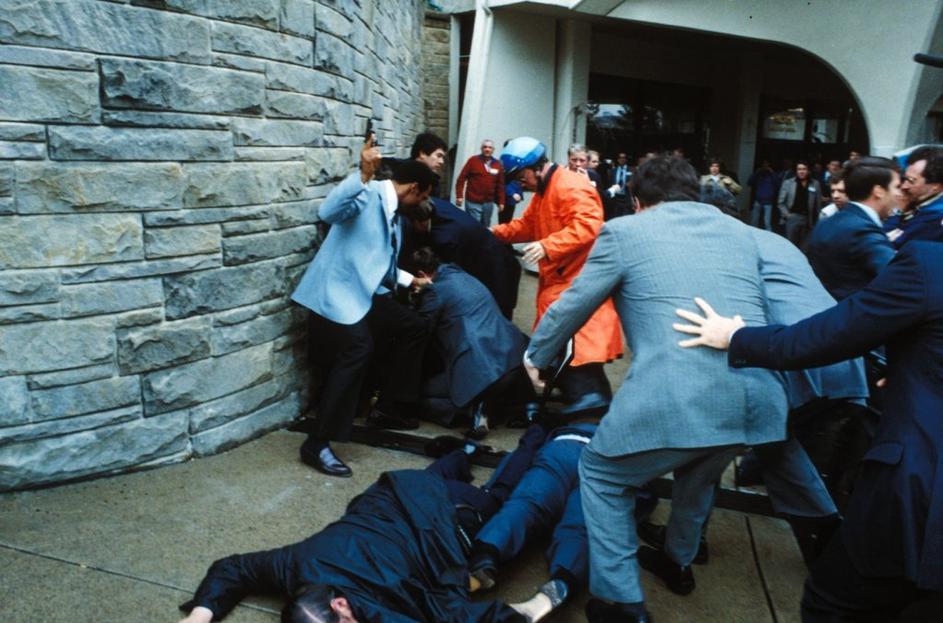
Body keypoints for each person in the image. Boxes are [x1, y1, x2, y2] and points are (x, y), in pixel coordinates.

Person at [524, 155, 787, 622]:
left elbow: (575, 302)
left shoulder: (625, 232)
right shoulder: (740, 232)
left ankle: (622, 602)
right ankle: (677, 561)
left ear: (638, 201)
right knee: (700, 472)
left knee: (602, 475)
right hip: (757, 398)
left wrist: (536, 356)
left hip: (680, 392)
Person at [672, 240, 943, 622]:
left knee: (831, 603)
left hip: (919, 494)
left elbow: (827, 336)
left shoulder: (930, 264)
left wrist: (736, 337)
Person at [177, 430, 554, 623]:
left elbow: (466, 617)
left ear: (340, 603)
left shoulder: (385, 603)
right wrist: (201, 614)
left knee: (501, 494)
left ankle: (538, 436)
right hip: (401, 490)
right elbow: (233, 568)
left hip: (451, 517)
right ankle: (463, 452)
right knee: (433, 476)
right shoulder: (295, 565)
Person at [290, 137, 435, 477]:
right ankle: (317, 442)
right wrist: (362, 175)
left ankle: (386, 407)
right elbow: (328, 212)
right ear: (413, 188)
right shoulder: (368, 193)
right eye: (423, 197)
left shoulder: (395, 214)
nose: (422, 204)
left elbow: (379, 262)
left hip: (361, 294)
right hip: (334, 293)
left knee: (409, 327)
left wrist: (409, 281)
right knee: (359, 348)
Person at [492, 136, 622, 409]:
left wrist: (547, 245)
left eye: (521, 177)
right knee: (567, 359)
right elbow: (527, 226)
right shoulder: (545, 191)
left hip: (577, 289)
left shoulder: (570, 186)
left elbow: (589, 225)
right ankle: (576, 406)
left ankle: (588, 416)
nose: (520, 184)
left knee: (582, 362)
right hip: (560, 288)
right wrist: (493, 233)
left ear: (536, 168)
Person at [469, 420, 599, 623]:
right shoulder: (634, 432)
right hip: (606, 460)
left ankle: (486, 553)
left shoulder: (573, 420)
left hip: (565, 445)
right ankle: (561, 582)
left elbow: (526, 452)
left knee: (526, 504)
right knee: (579, 528)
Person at [410, 248, 534, 439]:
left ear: (420, 274)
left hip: (483, 370)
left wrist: (415, 298)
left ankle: (471, 412)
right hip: (513, 357)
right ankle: (496, 404)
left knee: (419, 395)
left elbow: (421, 329)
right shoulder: (460, 274)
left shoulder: (434, 291)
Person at [405, 132, 522, 319]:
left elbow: (452, 272)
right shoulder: (437, 206)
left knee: (496, 317)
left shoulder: (444, 235)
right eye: (438, 156)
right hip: (489, 251)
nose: (442, 162)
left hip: (498, 270)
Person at [806, 157, 899, 301]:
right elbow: (898, 280)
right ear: (879, 191)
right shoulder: (862, 231)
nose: (899, 193)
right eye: (896, 187)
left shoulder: (828, 222)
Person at [884, 145, 943, 248]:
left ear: (936, 186)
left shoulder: (934, 219)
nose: (903, 186)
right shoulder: (916, 201)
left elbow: (887, 244)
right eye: (904, 178)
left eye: (911, 181)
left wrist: (896, 211)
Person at [455, 138, 505, 226]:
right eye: (485, 147)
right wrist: (459, 196)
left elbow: (500, 185)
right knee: (474, 225)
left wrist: (501, 202)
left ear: (493, 150)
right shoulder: (473, 160)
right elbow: (461, 179)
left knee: (485, 226)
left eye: (490, 147)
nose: (487, 149)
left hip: (488, 202)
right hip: (473, 201)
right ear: (481, 149)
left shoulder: (497, 164)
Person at [777, 161, 823, 248]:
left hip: (808, 220)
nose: (801, 171)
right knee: (791, 246)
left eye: (804, 169)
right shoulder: (788, 183)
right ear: (796, 171)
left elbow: (818, 205)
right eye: (799, 169)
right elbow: (780, 202)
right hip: (792, 217)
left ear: (808, 171)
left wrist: (816, 221)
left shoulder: (815, 184)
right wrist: (788, 215)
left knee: (805, 247)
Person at [747, 158, 779, 230]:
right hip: (758, 200)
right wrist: (757, 172)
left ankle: (769, 235)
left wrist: (772, 172)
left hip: (768, 202)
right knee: (754, 221)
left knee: (767, 222)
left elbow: (778, 184)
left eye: (766, 164)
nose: (765, 166)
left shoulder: (772, 175)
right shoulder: (759, 174)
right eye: (763, 164)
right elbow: (749, 182)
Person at [604, 151, 632, 220]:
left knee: (625, 219)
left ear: (626, 159)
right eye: (620, 157)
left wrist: (631, 184)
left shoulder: (631, 170)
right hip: (616, 199)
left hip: (626, 198)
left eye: (623, 157)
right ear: (617, 159)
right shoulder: (613, 171)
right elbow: (609, 184)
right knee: (615, 217)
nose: (622, 159)